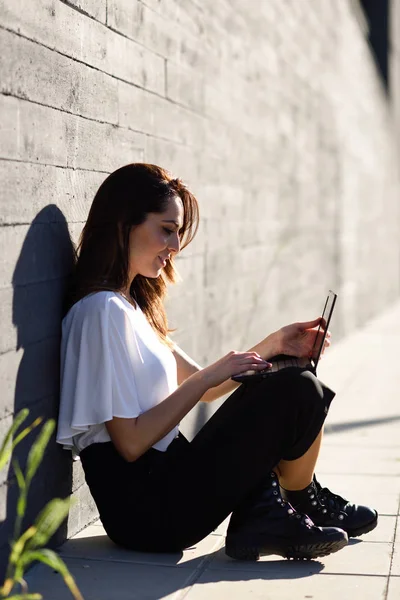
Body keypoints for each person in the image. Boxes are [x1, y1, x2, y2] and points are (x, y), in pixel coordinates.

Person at [56, 163, 377, 561]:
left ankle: (274, 508)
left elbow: (208, 387)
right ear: (124, 224)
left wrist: (276, 345)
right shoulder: (100, 312)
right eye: (166, 229)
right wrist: (212, 373)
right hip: (148, 513)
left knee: (292, 375)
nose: (174, 246)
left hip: (168, 483)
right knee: (296, 389)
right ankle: (291, 501)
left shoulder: (130, 307)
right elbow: (131, 443)